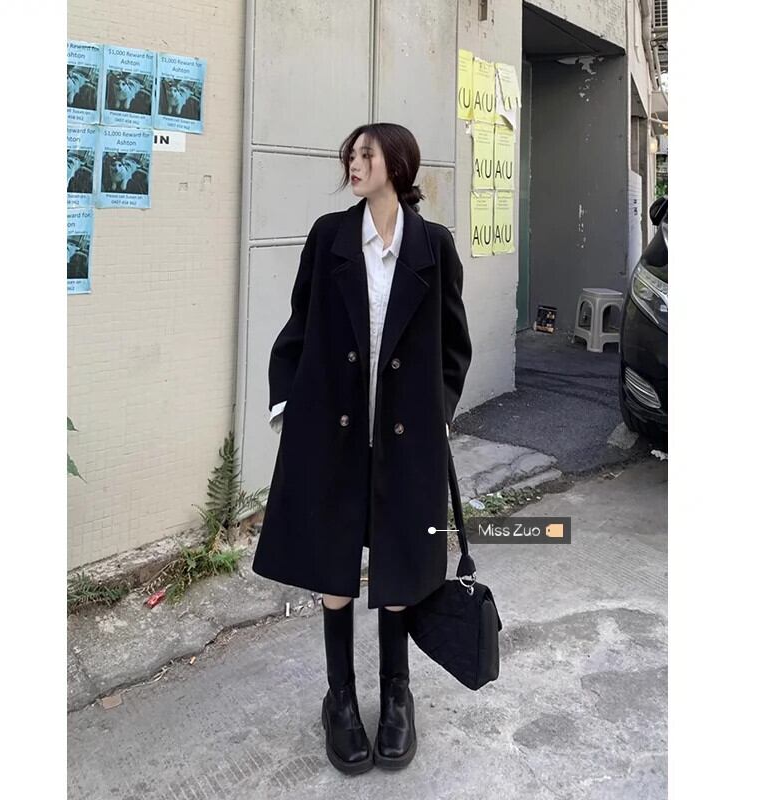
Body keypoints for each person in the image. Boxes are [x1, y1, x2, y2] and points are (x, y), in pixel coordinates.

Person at [252, 122, 472, 773]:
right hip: (332, 429)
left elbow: (453, 344)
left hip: (407, 436)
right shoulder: (329, 237)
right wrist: (288, 403)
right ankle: (341, 698)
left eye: (366, 156)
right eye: (350, 155)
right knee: (334, 569)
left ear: (397, 167)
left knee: (400, 567)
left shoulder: (433, 246)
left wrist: (439, 414)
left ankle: (398, 695)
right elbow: (299, 323)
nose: (353, 165)